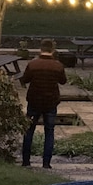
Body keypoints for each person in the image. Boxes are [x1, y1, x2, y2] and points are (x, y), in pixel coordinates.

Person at [19, 39, 67, 168]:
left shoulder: (33, 64)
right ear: (52, 50)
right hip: (51, 102)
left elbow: (25, 79)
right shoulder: (58, 66)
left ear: (40, 49)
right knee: (49, 132)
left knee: (29, 131)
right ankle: (46, 163)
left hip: (34, 101)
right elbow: (63, 81)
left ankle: (26, 161)